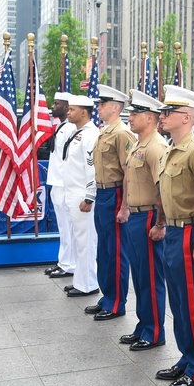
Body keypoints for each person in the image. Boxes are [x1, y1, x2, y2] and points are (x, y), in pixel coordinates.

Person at [153, 86, 194, 386]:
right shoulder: (170, 149)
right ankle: (186, 356)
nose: (162, 117)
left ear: (186, 117)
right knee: (178, 302)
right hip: (174, 233)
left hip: (192, 231)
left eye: (168, 112)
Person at [115, 90, 168, 350]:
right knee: (139, 275)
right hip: (136, 216)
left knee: (150, 277)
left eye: (135, 114)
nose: (131, 117)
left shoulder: (156, 146)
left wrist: (160, 223)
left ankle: (155, 331)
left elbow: (162, 187)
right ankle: (143, 325)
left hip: (149, 216)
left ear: (150, 118)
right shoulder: (138, 144)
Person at [86, 85, 133, 320]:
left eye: (102, 104)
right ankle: (107, 297)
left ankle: (117, 303)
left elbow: (128, 172)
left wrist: (125, 206)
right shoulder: (104, 132)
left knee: (116, 252)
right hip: (103, 195)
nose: (99, 108)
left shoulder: (122, 133)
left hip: (115, 195)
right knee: (103, 250)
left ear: (115, 108)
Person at [60, 95, 100, 298]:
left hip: (82, 195)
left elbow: (92, 168)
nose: (68, 112)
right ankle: (80, 280)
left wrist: (89, 196)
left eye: (72, 109)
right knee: (77, 241)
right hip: (71, 193)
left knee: (86, 242)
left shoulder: (91, 135)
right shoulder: (78, 133)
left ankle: (88, 284)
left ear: (84, 112)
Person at [44, 92, 77, 279]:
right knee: (63, 228)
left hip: (65, 184)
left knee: (68, 227)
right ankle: (63, 261)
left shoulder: (71, 128)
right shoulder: (61, 126)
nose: (52, 106)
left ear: (66, 107)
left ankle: (69, 264)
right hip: (56, 182)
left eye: (56, 103)